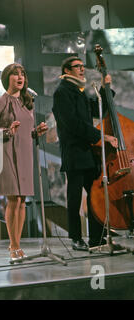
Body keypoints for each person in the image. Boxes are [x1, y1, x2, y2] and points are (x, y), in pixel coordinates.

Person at [52, 56, 118, 251]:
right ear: (67, 69)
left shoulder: (78, 91)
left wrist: (106, 90)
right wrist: (102, 137)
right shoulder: (62, 92)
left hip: (87, 153)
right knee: (74, 197)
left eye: (82, 66)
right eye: (77, 66)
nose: (82, 69)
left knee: (96, 195)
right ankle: (75, 238)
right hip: (74, 153)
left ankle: (96, 238)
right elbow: (73, 124)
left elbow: (96, 111)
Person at [0, 63, 48, 261]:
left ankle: (17, 244)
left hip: (25, 153)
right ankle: (14, 247)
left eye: (22, 74)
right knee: (13, 199)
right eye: (15, 74)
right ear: (7, 78)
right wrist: (6, 131)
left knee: (22, 200)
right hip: (7, 153)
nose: (20, 77)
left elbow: (26, 130)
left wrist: (36, 132)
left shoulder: (27, 102)